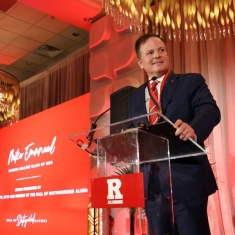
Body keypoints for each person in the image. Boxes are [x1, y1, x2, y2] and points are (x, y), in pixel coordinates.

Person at [129, 33, 221, 235]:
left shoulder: (190, 82)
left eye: (161, 50)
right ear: (140, 62)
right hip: (152, 187)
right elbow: (132, 133)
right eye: (150, 52)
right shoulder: (134, 98)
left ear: (168, 55)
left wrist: (194, 128)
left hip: (187, 179)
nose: (157, 55)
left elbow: (210, 110)